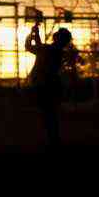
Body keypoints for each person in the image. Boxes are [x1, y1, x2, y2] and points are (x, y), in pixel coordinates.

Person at [26, 21, 79, 149]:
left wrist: (31, 34)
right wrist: (36, 34)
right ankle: (53, 138)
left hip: (42, 84)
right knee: (51, 113)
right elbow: (39, 47)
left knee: (47, 113)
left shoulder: (48, 50)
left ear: (56, 38)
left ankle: (52, 139)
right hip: (52, 84)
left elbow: (30, 46)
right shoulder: (58, 52)